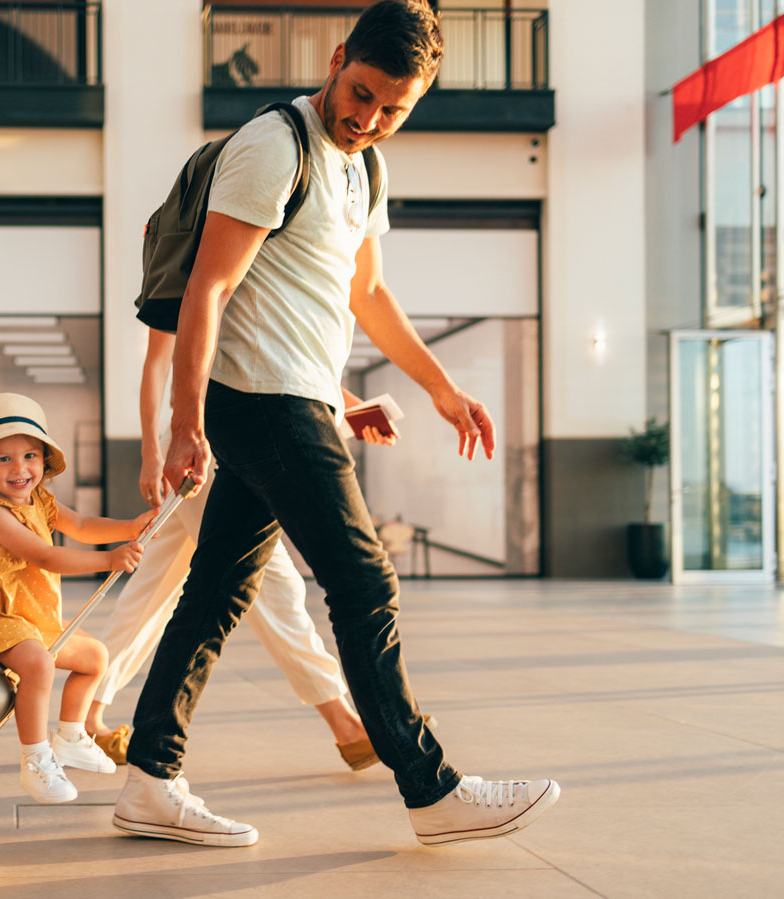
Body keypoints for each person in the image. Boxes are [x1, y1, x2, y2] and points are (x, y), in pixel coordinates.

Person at [111, 0, 559, 848]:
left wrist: (439, 387)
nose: (368, 118)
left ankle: (148, 776)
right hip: (263, 401)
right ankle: (430, 788)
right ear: (337, 57)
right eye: (360, 94)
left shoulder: (364, 169)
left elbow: (364, 295)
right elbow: (208, 288)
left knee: (214, 593)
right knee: (362, 584)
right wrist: (182, 419)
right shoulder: (274, 146)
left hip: (301, 400)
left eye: (394, 109)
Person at [86, 328, 392, 771]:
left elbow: (273, 360)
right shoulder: (190, 265)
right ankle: (346, 726)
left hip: (239, 435)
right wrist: (152, 453)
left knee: (154, 587)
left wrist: (354, 408)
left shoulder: (252, 275)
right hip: (196, 443)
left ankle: (84, 715)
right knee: (272, 582)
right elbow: (157, 365)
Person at [0, 393, 154, 804]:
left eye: (29, 455)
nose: (19, 468)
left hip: (29, 617)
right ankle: (34, 759)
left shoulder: (40, 501)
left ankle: (73, 735)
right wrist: (109, 559)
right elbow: (44, 556)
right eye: (2, 459)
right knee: (39, 663)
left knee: (95, 657)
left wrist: (129, 527)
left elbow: (81, 525)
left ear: (43, 460)